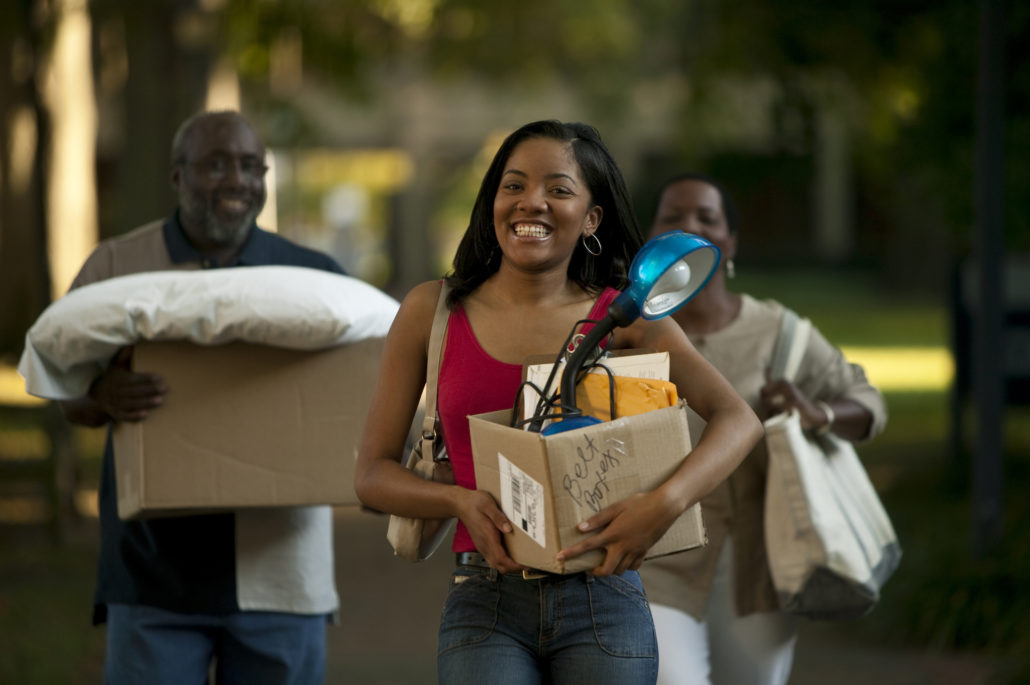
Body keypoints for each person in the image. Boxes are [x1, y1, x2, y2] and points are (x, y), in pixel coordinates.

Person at [354, 121, 763, 684]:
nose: (532, 202)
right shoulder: (433, 312)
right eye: (513, 185)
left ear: (592, 218)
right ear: (493, 201)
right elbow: (371, 475)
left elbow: (739, 420)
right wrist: (458, 501)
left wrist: (664, 503)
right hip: (485, 599)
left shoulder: (625, 318)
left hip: (605, 600)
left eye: (559, 189)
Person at [60, 110, 345, 685]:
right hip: (153, 576)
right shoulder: (116, 268)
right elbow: (62, 388)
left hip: (282, 573)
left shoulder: (315, 278)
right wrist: (100, 392)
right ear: (177, 177)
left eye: (250, 166)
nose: (238, 180)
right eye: (216, 165)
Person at [637, 172, 889, 685]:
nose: (690, 225)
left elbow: (868, 402)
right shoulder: (627, 333)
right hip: (653, 562)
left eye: (707, 218)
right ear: (652, 239)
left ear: (729, 243)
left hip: (760, 564)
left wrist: (818, 414)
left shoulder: (780, 334)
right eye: (673, 216)